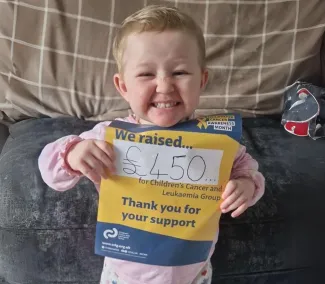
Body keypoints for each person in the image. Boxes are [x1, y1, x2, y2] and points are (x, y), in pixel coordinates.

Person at [38, 5, 265, 284]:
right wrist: (73, 154)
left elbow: (249, 171)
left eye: (180, 72)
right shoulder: (109, 136)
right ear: (123, 87)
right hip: (122, 276)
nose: (165, 86)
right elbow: (50, 171)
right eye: (146, 74)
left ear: (202, 80)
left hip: (194, 273)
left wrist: (246, 186)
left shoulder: (216, 140)